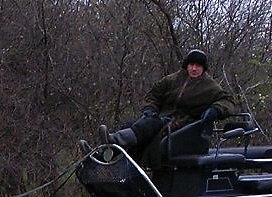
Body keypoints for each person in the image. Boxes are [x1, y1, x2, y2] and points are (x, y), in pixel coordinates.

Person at [98, 49, 238, 152]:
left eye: (198, 65)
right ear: (186, 65)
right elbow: (153, 95)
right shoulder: (172, 80)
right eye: (191, 65)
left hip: (183, 125)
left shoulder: (209, 86)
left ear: (203, 68)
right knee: (131, 125)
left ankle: (113, 141)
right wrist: (150, 109)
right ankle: (101, 153)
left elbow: (229, 101)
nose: (194, 68)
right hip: (160, 117)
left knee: (148, 126)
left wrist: (216, 110)